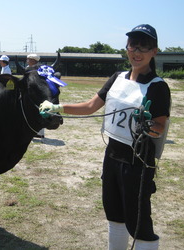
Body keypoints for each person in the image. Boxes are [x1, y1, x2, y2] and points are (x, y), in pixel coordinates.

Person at [40, 24, 171, 250]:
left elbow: (159, 127)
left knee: (139, 224)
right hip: (111, 157)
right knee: (114, 215)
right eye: (133, 45)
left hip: (137, 163)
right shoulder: (116, 78)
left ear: (154, 52)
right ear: (127, 48)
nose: (137, 52)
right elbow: (91, 106)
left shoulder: (158, 87)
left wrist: (148, 124)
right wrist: (57, 107)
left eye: (144, 47)